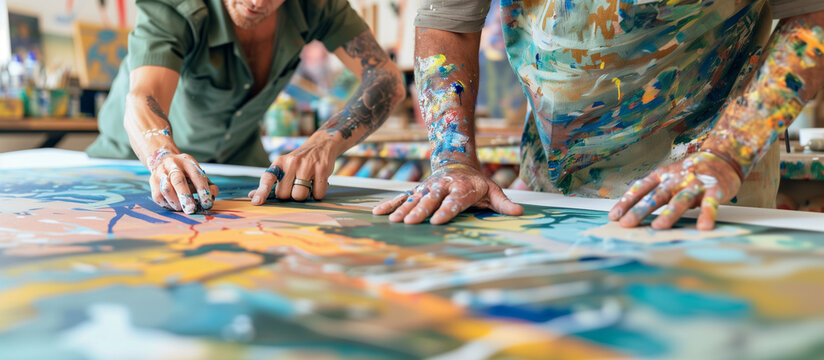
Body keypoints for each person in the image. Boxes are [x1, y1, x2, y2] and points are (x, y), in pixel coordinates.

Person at [374, 0, 824, 230]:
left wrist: (727, 153)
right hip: (554, 187)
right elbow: (448, 22)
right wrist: (453, 158)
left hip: (708, 178)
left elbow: (811, 18)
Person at [87, 0, 405, 214]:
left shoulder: (315, 4)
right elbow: (144, 97)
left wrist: (325, 143)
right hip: (132, 159)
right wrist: (161, 157)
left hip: (238, 157)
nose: (257, 2)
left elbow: (386, 78)